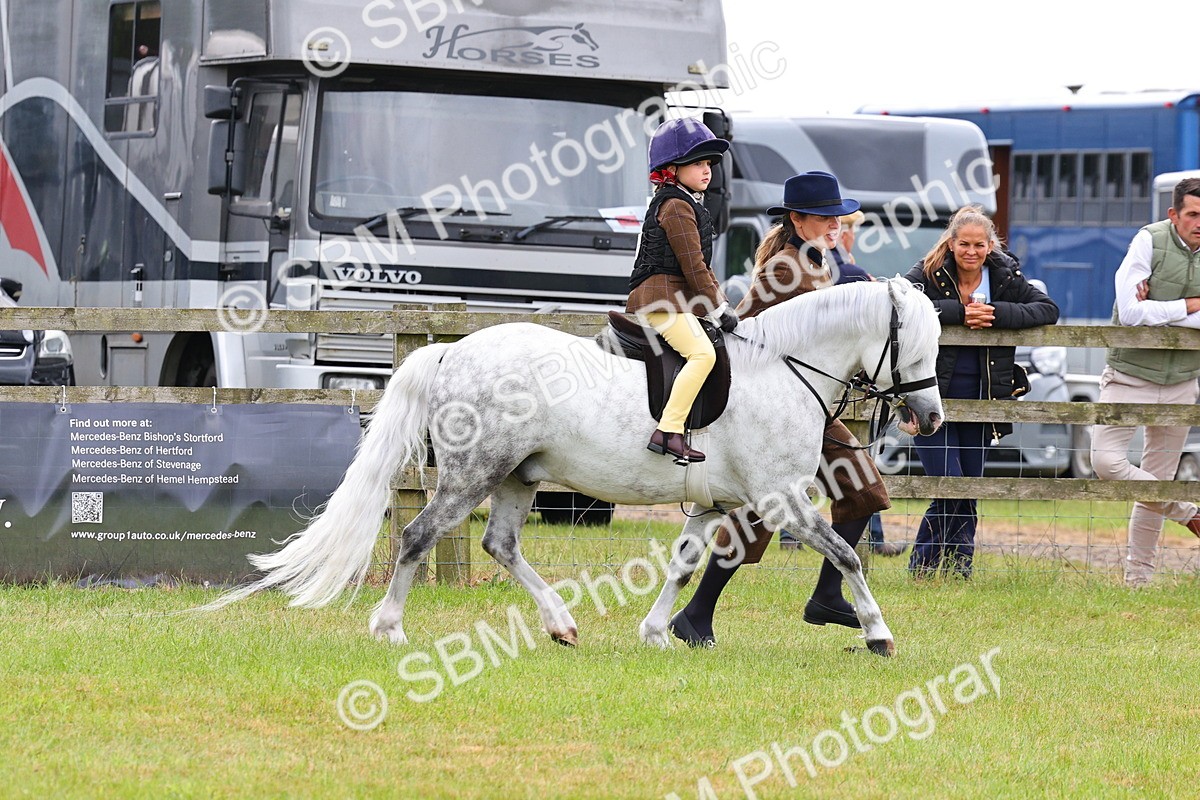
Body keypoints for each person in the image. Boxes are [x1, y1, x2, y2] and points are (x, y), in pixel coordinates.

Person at [668, 171, 892, 646]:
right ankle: (697, 614)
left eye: (839, 217)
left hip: (806, 409)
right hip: (773, 413)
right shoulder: (786, 269)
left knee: (859, 491)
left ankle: (824, 597)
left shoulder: (818, 261)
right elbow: (744, 325)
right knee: (767, 509)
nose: (836, 225)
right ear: (798, 219)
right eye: (825, 218)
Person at [903, 206, 1059, 578]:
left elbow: (1046, 309)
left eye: (979, 245)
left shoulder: (1005, 276)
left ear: (990, 246)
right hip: (931, 396)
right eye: (963, 244)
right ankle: (922, 565)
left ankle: (959, 567)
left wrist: (996, 313)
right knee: (949, 483)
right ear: (951, 243)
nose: (971, 252)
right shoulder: (927, 271)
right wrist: (958, 313)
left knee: (967, 487)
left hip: (983, 398)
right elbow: (901, 306)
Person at [1091, 177, 1200, 587]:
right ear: (1173, 215)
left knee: (1155, 480)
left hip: (1182, 380)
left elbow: (1147, 311)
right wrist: (1190, 305)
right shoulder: (1148, 242)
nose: (1199, 222)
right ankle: (1192, 514)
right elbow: (1131, 313)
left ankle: (1138, 581)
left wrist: (1161, 307)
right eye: (1192, 214)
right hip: (1127, 374)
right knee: (1106, 463)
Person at [627, 118, 738, 464]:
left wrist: (721, 302)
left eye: (708, 164)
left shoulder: (686, 201)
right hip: (661, 301)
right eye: (697, 163)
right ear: (672, 168)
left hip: (673, 301)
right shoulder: (675, 206)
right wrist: (719, 309)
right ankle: (669, 430)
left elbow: (702, 268)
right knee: (703, 355)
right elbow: (694, 268)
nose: (707, 171)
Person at [829, 208, 907, 557]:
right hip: (833, 376)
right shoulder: (841, 262)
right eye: (852, 230)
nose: (852, 236)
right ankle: (872, 539)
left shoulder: (834, 257)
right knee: (857, 460)